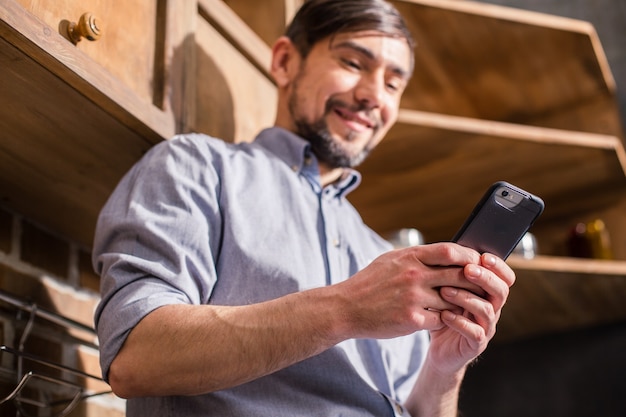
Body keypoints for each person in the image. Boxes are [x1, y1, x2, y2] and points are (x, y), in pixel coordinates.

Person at [93, 0, 515, 416]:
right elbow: (134, 358)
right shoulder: (197, 167)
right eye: (353, 63)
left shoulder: (385, 259)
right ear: (284, 62)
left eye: (392, 84)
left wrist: (445, 369)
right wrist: (347, 308)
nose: (373, 95)